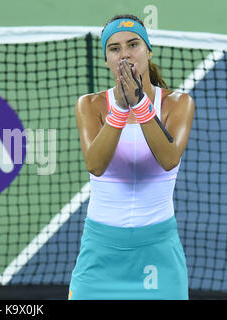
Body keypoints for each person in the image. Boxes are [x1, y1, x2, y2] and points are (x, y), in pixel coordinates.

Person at [68, 14, 195, 300]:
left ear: (148, 51)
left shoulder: (179, 104)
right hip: (101, 253)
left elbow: (168, 159)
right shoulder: (90, 105)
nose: (125, 55)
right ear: (106, 60)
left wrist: (139, 104)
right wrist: (120, 110)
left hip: (158, 253)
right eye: (114, 49)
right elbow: (95, 165)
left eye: (133, 44)